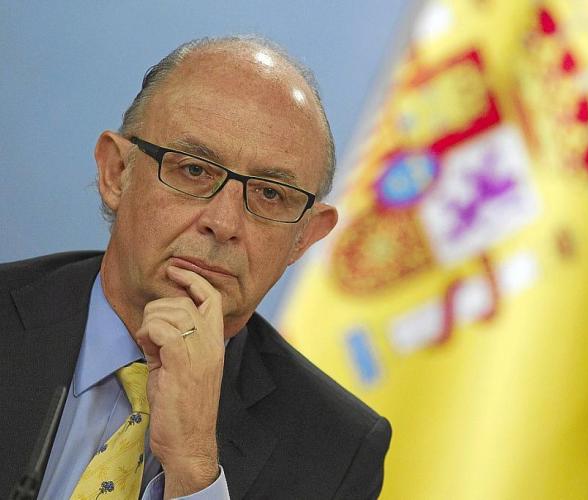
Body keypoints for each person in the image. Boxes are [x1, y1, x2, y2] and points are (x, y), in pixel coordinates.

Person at [0, 36, 391, 499]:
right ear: (116, 173)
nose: (223, 224)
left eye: (270, 194)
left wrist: (193, 468)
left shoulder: (336, 453)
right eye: (194, 170)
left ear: (304, 237)